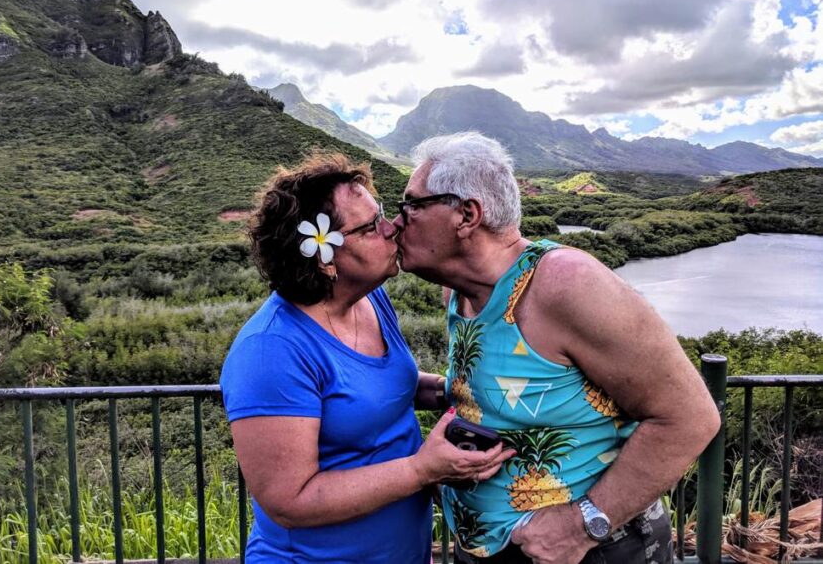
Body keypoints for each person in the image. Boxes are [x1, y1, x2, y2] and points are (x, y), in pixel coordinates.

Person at [393, 132, 722, 564]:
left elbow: (691, 417)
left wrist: (581, 525)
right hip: (494, 547)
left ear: (466, 215)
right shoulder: (458, 294)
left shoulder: (564, 283)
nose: (397, 221)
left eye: (413, 205)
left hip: (587, 552)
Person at [219, 152, 514, 564]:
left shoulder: (371, 300)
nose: (392, 227)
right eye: (371, 226)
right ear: (325, 258)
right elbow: (289, 500)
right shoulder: (272, 351)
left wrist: (462, 390)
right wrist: (421, 470)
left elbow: (378, 389)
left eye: (383, 215)